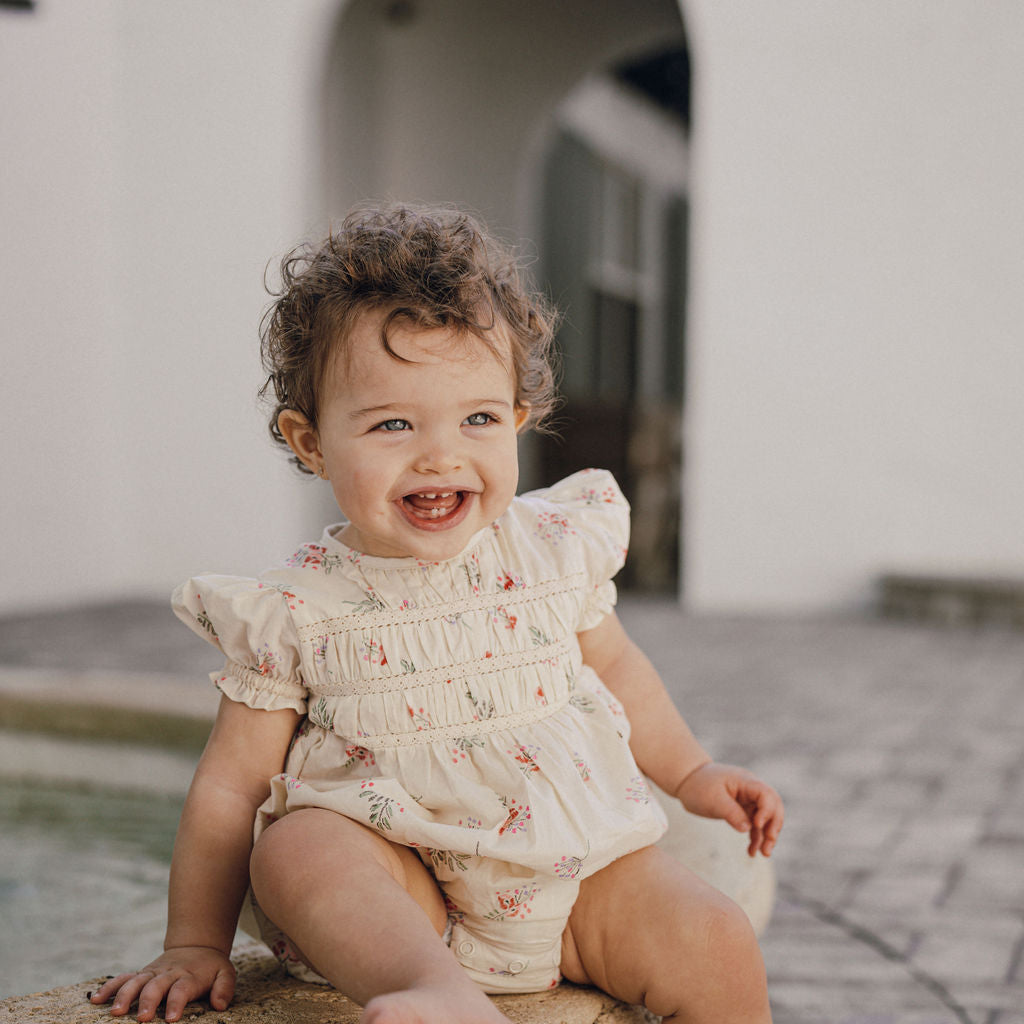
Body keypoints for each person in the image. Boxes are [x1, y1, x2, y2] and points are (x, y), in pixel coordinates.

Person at [91, 203, 783, 1024]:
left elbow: (620, 669)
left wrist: (692, 773)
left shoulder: (552, 550)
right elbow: (228, 789)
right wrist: (193, 943)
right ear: (310, 443)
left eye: (478, 419)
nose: (441, 454)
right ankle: (434, 992)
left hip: (571, 876)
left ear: (518, 422)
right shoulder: (296, 611)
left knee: (718, 937)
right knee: (295, 848)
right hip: (405, 901)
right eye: (392, 424)